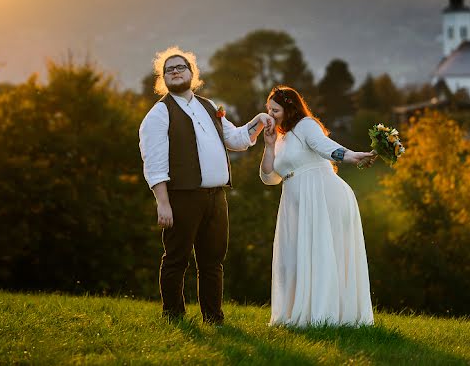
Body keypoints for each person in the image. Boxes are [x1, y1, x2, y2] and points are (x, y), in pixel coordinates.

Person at [139, 46, 274, 324]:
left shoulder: (209, 106)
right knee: (176, 260)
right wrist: (162, 203)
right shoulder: (158, 114)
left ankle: (214, 318)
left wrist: (259, 121)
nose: (175, 72)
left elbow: (236, 140)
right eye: (169, 70)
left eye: (180, 67)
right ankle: (173, 317)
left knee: (213, 263)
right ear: (163, 78)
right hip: (181, 197)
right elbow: (154, 163)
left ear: (192, 73)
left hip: (217, 197)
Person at [259, 85, 376, 327]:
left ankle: (326, 316)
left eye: (275, 110)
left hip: (322, 194)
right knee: (295, 258)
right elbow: (269, 178)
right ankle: (302, 313)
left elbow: (324, 146)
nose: (270, 116)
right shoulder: (279, 139)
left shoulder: (305, 125)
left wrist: (351, 156)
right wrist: (269, 146)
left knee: (323, 254)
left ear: (290, 108)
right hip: (294, 201)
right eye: (268, 111)